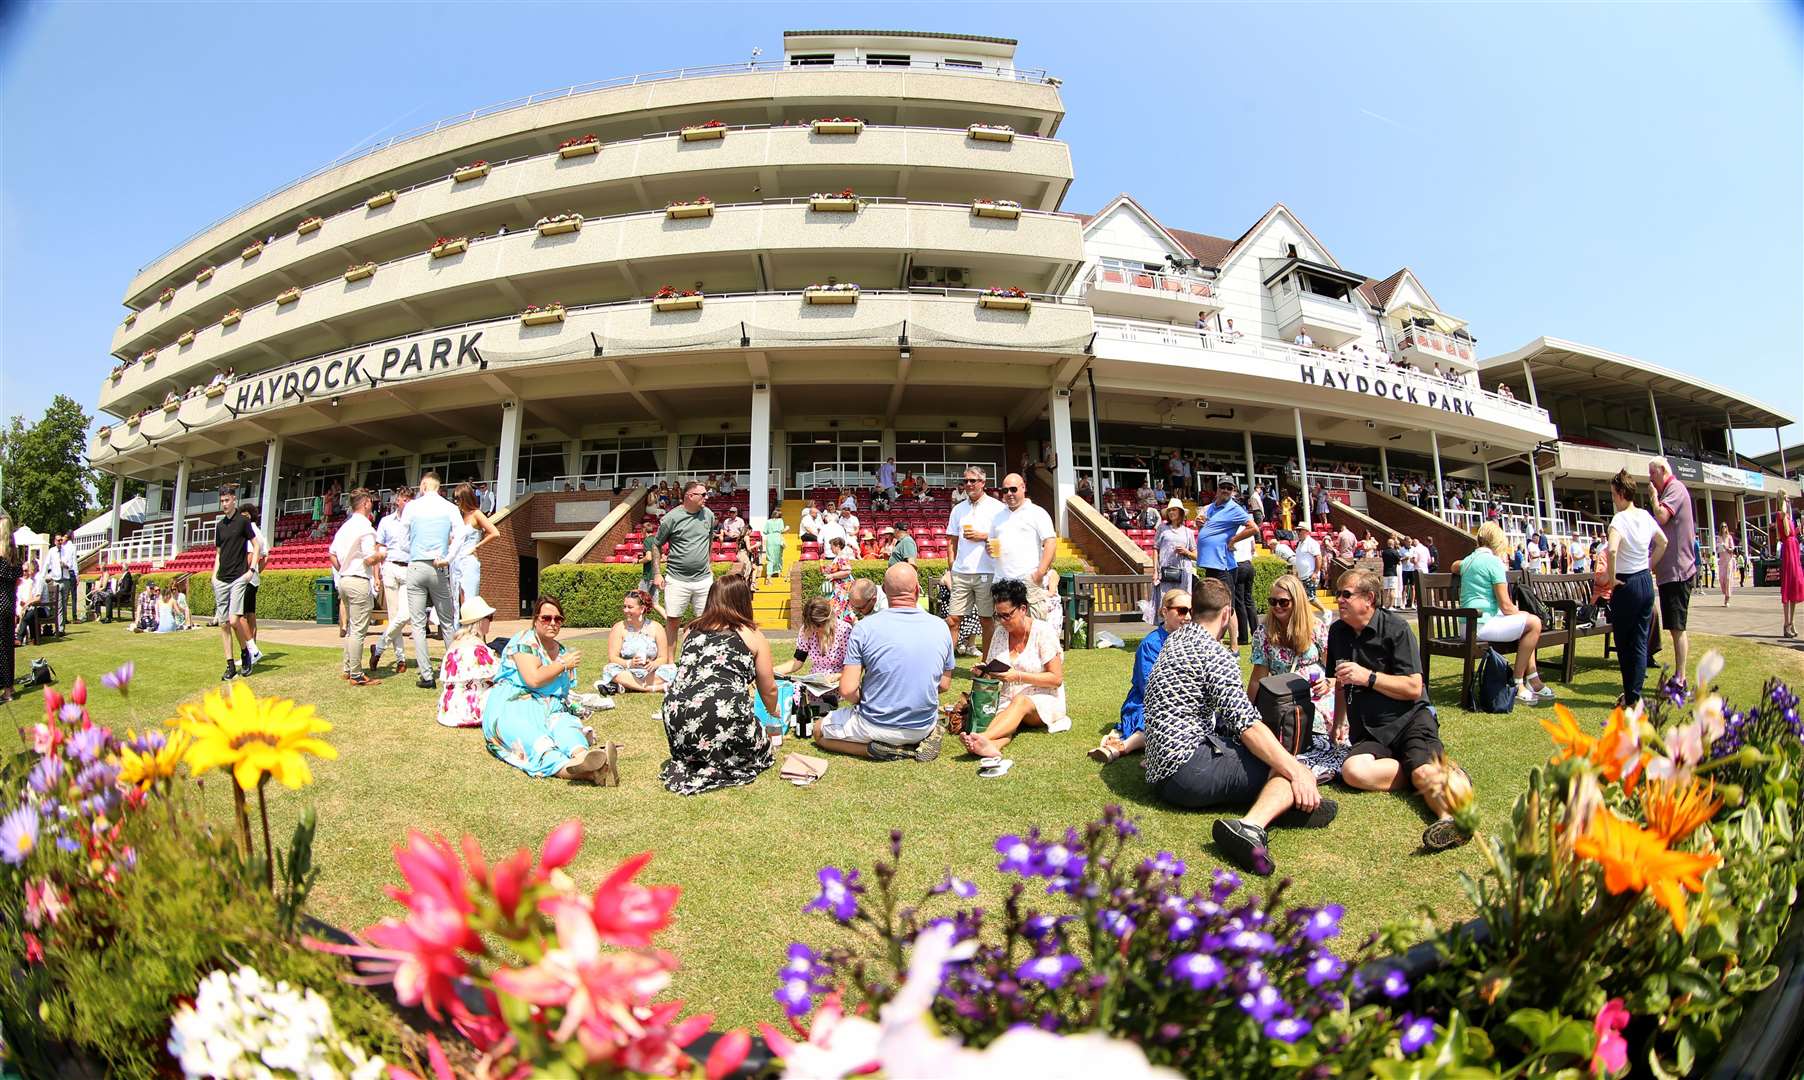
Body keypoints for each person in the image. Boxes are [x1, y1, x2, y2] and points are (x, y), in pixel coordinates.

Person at [1140, 578, 1336, 878]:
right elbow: (1246, 724)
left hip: (1159, 771)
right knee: (1287, 768)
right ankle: (1252, 826)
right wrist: (1295, 770)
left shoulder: (1175, 640)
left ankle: (1293, 804)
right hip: (1188, 770)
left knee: (1271, 762)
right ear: (1227, 613)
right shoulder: (1215, 654)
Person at [1327, 568, 1473, 852]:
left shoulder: (1396, 629)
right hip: (1370, 729)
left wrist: (1368, 677)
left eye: (1346, 594)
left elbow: (1413, 688)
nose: (1339, 600)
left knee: (1421, 773)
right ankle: (1436, 771)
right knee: (1352, 771)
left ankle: (1450, 820)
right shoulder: (1337, 632)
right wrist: (1338, 723)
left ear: (1369, 599)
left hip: (1410, 720)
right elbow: (1341, 683)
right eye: (1338, 594)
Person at [815, 563, 952, 762]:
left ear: (884, 591)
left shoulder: (863, 628)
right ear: (917, 589)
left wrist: (873, 699)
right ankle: (924, 737)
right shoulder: (941, 627)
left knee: (818, 731)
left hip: (875, 725)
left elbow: (847, 690)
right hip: (921, 726)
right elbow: (944, 685)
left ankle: (873, 750)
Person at [659, 575, 779, 795]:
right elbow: (768, 688)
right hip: (721, 714)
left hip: (676, 717)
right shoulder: (751, 634)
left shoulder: (690, 631)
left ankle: (695, 756)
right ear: (743, 601)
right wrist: (774, 712)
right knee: (764, 750)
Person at [483, 596, 609, 781]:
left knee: (566, 727)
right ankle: (591, 773)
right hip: (514, 705)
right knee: (536, 742)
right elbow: (533, 679)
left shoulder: (563, 651)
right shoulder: (525, 642)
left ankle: (583, 757)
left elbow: (563, 692)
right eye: (546, 618)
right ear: (535, 620)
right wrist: (562, 664)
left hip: (551, 708)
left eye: (558, 619)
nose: (552, 623)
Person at [958, 579, 1069, 763]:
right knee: (1006, 720)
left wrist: (1017, 676)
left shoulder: (1043, 632)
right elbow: (994, 669)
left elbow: (1056, 678)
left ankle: (983, 737)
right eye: (998, 616)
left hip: (1044, 698)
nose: (1002, 621)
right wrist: (984, 672)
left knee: (1020, 702)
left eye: (1007, 615)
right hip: (1008, 699)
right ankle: (990, 746)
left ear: (1023, 609)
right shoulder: (1000, 633)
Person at [1249, 573, 1347, 779]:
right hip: (1282, 696)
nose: (1277, 607)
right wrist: (1248, 714)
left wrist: (1328, 682)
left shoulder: (1317, 628)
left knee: (1321, 730)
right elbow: (1258, 678)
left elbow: (1336, 672)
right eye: (1273, 601)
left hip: (1317, 694)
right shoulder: (1263, 633)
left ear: (1298, 601)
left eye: (1283, 602)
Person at [1451, 522, 1552, 705]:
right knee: (1534, 623)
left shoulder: (1469, 560)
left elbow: (1454, 566)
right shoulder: (1494, 562)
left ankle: (1533, 679)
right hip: (1482, 625)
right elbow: (1506, 606)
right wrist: (1522, 613)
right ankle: (1518, 682)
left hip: (1468, 625)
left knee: (1526, 626)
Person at [1089, 589, 1188, 762]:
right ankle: (1123, 747)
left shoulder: (1191, 641)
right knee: (1159, 722)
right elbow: (1148, 687)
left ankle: (1121, 746)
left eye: (1191, 611)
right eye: (1182, 611)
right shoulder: (1151, 644)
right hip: (1146, 701)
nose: (1187, 617)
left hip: (1180, 700)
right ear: (1165, 612)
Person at [402, 473, 464, 689]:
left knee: (418, 624)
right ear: (438, 487)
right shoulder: (449, 508)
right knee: (447, 622)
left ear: (424, 485)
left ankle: (427, 675)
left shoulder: (412, 507)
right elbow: (461, 534)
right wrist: (448, 558)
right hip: (439, 566)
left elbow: (403, 537)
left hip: (417, 564)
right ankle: (453, 674)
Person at [945, 467, 1005, 657]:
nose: (969, 484)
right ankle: (947, 665)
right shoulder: (958, 509)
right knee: (953, 620)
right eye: (966, 481)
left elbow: (1005, 537)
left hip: (986, 572)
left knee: (986, 620)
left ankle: (987, 664)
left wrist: (983, 535)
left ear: (982, 483)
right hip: (961, 572)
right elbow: (951, 541)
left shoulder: (997, 508)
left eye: (973, 481)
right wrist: (952, 567)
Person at [1646, 458, 1696, 684]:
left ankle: (1681, 677)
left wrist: (1653, 497)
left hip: (1678, 572)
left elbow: (1661, 516)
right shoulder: (1671, 491)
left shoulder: (1674, 489)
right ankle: (1680, 676)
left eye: (1652, 474)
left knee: (1677, 628)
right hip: (1671, 574)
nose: (1651, 480)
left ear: (1663, 471)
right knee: (1675, 627)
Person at [652, 481, 717, 642]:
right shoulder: (671, 518)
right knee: (673, 621)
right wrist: (657, 574)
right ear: (690, 496)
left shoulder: (708, 514)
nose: (707, 497)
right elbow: (656, 544)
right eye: (703, 494)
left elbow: (709, 539)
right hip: (676, 579)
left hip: (703, 579)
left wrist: (709, 564)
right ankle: (668, 664)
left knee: (707, 621)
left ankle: (704, 661)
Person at [330, 489, 381, 687]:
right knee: (359, 630)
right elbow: (370, 558)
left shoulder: (345, 526)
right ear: (366, 503)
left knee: (352, 629)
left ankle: (348, 668)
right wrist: (382, 555)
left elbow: (332, 554)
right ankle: (357, 674)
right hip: (358, 579)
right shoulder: (366, 527)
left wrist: (343, 569)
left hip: (344, 579)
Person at [990, 473, 1058, 621]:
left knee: (1034, 629)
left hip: (1028, 581)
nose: (1009, 494)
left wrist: (1040, 573)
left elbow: (1050, 542)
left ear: (1023, 488)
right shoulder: (997, 516)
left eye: (1013, 489)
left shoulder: (1037, 513)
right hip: (1003, 582)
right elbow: (991, 544)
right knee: (1004, 631)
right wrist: (989, 550)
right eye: (1005, 490)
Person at [212, 484, 261, 680]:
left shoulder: (243, 522)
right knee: (224, 624)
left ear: (234, 500)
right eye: (222, 501)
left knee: (234, 620)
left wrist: (251, 570)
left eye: (227, 500)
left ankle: (246, 653)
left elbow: (256, 546)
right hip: (221, 579)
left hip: (239, 578)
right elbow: (218, 553)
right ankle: (230, 665)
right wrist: (214, 575)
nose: (224, 504)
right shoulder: (219, 526)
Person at [437, 596, 500, 728]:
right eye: (489, 618)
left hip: (448, 710)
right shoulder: (477, 647)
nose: (490, 622)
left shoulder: (455, 643)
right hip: (468, 710)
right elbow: (496, 675)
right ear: (480, 621)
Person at [370, 486, 413, 674]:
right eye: (405, 499)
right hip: (390, 567)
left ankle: (378, 648)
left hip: (408, 568)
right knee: (395, 616)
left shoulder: (415, 522)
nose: (408, 502)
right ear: (398, 500)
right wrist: (376, 573)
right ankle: (401, 659)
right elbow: (379, 547)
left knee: (405, 615)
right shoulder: (386, 522)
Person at [600, 589, 677, 693]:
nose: (625, 610)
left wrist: (654, 664)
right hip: (627, 671)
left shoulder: (656, 627)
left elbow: (663, 658)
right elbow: (612, 658)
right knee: (610, 669)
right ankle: (651, 688)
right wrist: (629, 663)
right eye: (624, 606)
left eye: (630, 607)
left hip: (650, 673)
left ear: (642, 609)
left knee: (671, 669)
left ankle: (628, 686)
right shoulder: (619, 628)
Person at [450, 482, 500, 607]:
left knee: (469, 599)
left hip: (469, 560)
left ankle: (471, 626)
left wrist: (476, 546)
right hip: (455, 561)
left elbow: (494, 533)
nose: (456, 502)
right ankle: (458, 626)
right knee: (456, 600)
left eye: (458, 499)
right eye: (454, 499)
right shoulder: (458, 517)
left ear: (465, 498)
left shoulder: (476, 514)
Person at [778, 596, 853, 677]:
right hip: (815, 680)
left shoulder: (844, 630)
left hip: (840, 680)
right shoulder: (806, 630)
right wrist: (773, 671)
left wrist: (835, 677)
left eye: (818, 625)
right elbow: (797, 661)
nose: (814, 630)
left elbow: (852, 667)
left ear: (828, 619)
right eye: (810, 625)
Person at [1152, 498, 1196, 612]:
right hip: (1166, 570)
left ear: (1180, 512)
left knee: (1183, 599)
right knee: (1166, 599)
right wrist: (1155, 571)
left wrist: (1186, 552)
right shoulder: (1162, 528)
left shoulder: (1188, 532)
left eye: (1174, 510)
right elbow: (1155, 549)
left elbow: (1195, 555)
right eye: (1169, 510)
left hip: (1183, 571)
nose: (1171, 512)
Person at [1777, 496, 1803, 638]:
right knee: (1788, 587)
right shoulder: (1781, 515)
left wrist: (1800, 527)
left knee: (1795, 585)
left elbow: (1792, 534)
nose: (1788, 501)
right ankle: (1786, 623)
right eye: (1786, 498)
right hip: (1788, 551)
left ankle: (1792, 622)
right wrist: (1786, 510)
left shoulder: (1788, 516)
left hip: (1794, 550)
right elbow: (1785, 534)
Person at [0, 516, 15, 703]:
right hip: (9, 604)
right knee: (7, 647)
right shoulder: (15, 554)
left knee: (2, 648)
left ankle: (8, 691)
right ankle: (8, 687)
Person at [823, 536, 854, 617]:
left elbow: (847, 571)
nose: (831, 549)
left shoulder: (842, 557)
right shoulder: (838, 557)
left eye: (832, 547)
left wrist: (832, 575)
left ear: (838, 546)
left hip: (843, 589)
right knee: (838, 610)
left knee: (839, 610)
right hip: (839, 588)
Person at [56, 533, 77, 628]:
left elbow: (73, 563)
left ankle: (71, 617)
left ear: (67, 538)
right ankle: (65, 619)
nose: (61, 540)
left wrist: (76, 574)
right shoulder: (56, 550)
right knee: (65, 600)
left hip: (69, 574)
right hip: (62, 575)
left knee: (69, 598)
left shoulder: (70, 548)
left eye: (63, 538)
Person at [760, 512, 787, 583]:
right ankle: (779, 572)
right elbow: (781, 530)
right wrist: (787, 528)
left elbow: (765, 532)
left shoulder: (768, 521)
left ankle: (769, 575)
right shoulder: (780, 520)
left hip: (770, 539)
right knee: (779, 556)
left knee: (770, 558)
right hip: (778, 538)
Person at [1293, 529, 1322, 594]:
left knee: (1311, 598)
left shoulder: (1311, 543)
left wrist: (1315, 573)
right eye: (1297, 531)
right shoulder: (1300, 543)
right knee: (1304, 597)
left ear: (1306, 531)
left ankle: (1322, 605)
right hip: (1302, 576)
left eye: (1299, 530)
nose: (1298, 532)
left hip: (1310, 575)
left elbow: (1318, 557)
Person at [1380, 537, 1403, 609]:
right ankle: (1390, 606)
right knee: (1392, 589)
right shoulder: (1395, 552)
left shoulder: (1384, 552)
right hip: (1393, 573)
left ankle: (1384, 605)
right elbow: (1399, 562)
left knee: (1385, 589)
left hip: (1385, 572)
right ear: (1393, 544)